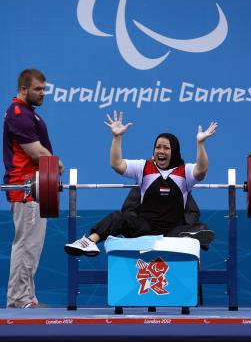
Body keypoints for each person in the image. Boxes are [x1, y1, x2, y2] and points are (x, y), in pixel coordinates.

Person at [64, 110, 217, 257]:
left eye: (166, 148)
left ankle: (188, 239)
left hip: (173, 230)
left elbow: (201, 170)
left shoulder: (185, 172)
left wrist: (201, 144)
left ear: (175, 151)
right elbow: (116, 164)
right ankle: (89, 242)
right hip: (145, 228)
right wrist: (117, 138)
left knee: (201, 228)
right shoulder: (143, 167)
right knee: (118, 217)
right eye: (158, 147)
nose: (160, 151)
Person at [3, 69, 64, 309]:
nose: (42, 93)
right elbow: (37, 153)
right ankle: (19, 300)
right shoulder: (18, 114)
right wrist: (55, 161)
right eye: (37, 89)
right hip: (27, 187)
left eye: (44, 89)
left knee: (32, 246)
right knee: (26, 244)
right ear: (23, 89)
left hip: (37, 186)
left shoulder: (28, 113)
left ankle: (27, 297)